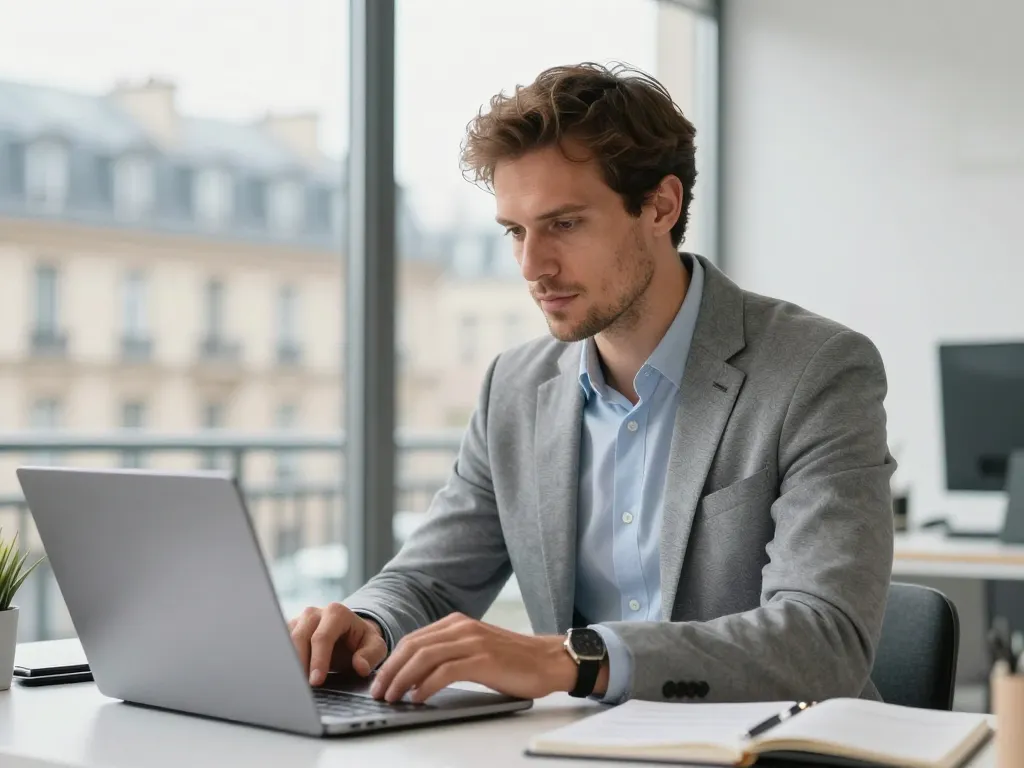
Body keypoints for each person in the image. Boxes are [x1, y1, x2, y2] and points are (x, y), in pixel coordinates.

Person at [289, 62, 895, 706]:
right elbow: (429, 582)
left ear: (661, 206)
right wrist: (366, 624)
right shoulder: (514, 388)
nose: (532, 266)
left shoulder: (818, 369)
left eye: (565, 224)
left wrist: (574, 658)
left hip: (770, 746)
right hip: (580, 747)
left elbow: (822, 640)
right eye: (516, 232)